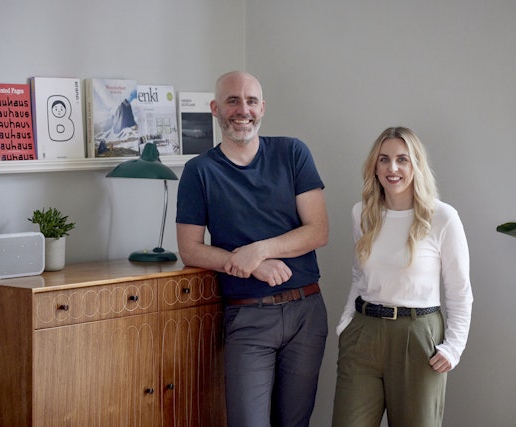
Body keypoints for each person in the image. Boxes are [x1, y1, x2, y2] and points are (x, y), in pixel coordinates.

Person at [175, 70, 329, 427]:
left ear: (263, 108)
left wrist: (258, 251)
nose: (242, 109)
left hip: (306, 312)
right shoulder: (199, 171)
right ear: (215, 108)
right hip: (247, 317)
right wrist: (242, 262)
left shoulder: (293, 152)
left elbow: (318, 231)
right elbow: (190, 249)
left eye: (251, 101)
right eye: (232, 100)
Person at [332, 127, 473, 427]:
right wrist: (346, 325)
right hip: (363, 334)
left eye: (402, 159)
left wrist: (454, 347)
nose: (392, 168)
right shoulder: (362, 214)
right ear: (375, 165)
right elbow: (359, 276)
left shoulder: (442, 217)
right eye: (384, 159)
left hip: (418, 336)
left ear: (416, 165)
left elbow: (460, 291)